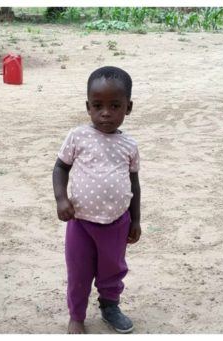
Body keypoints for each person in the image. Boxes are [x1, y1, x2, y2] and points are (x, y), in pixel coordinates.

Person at [53, 66, 141, 333]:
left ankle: (110, 305)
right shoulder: (78, 137)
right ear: (88, 106)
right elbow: (60, 168)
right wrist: (61, 199)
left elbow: (134, 183)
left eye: (115, 105)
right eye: (98, 105)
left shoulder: (129, 146)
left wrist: (135, 219)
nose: (106, 113)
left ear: (128, 107)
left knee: (113, 270)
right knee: (79, 273)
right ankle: (76, 315)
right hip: (80, 222)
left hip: (117, 223)